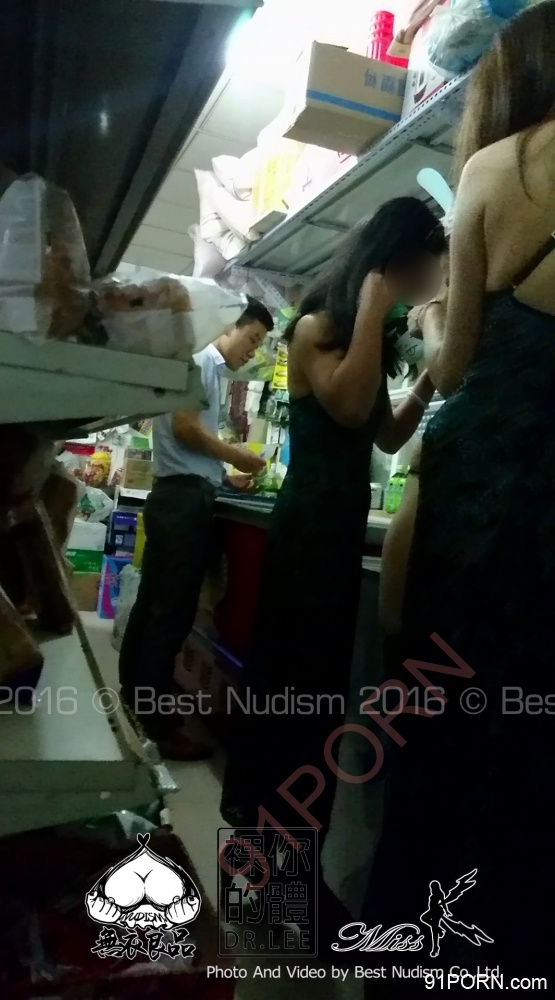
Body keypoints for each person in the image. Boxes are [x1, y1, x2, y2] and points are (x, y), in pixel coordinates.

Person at [363, 4, 555, 989]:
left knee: (442, 740)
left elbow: (454, 369)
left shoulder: (490, 168)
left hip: (481, 498)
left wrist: (434, 327)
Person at [220, 198, 446, 941]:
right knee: (294, 709)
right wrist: (377, 305)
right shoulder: (318, 325)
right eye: (423, 269)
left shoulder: (359, 336)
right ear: (394, 259)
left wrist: (429, 376)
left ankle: (283, 883)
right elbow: (349, 409)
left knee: (309, 710)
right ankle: (278, 892)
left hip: (331, 541)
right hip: (308, 540)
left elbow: (384, 433)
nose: (428, 283)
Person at [119, 297, 274, 760]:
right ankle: (159, 726)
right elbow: (186, 428)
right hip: (183, 503)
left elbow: (188, 441)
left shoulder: (204, 367)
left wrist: (224, 476)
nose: (252, 351)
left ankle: (135, 698)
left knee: (154, 607)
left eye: (259, 345)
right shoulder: (203, 362)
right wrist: (236, 455)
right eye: (251, 339)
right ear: (230, 327)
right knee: (170, 615)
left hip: (177, 494)